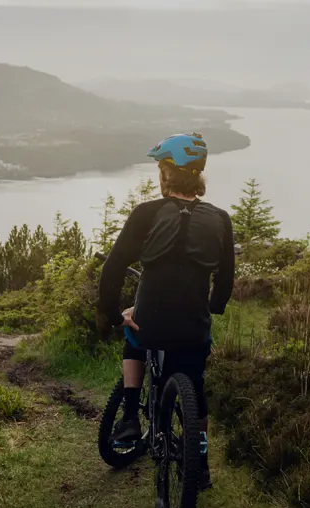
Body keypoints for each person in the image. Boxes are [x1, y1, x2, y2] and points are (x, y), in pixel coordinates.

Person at [97, 133, 235, 484]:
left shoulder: (146, 213)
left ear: (166, 173)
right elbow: (225, 282)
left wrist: (116, 316)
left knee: (133, 328)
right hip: (193, 324)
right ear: (197, 175)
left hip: (152, 321)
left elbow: (111, 271)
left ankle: (130, 415)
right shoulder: (220, 219)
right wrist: (212, 308)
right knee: (195, 389)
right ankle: (200, 463)